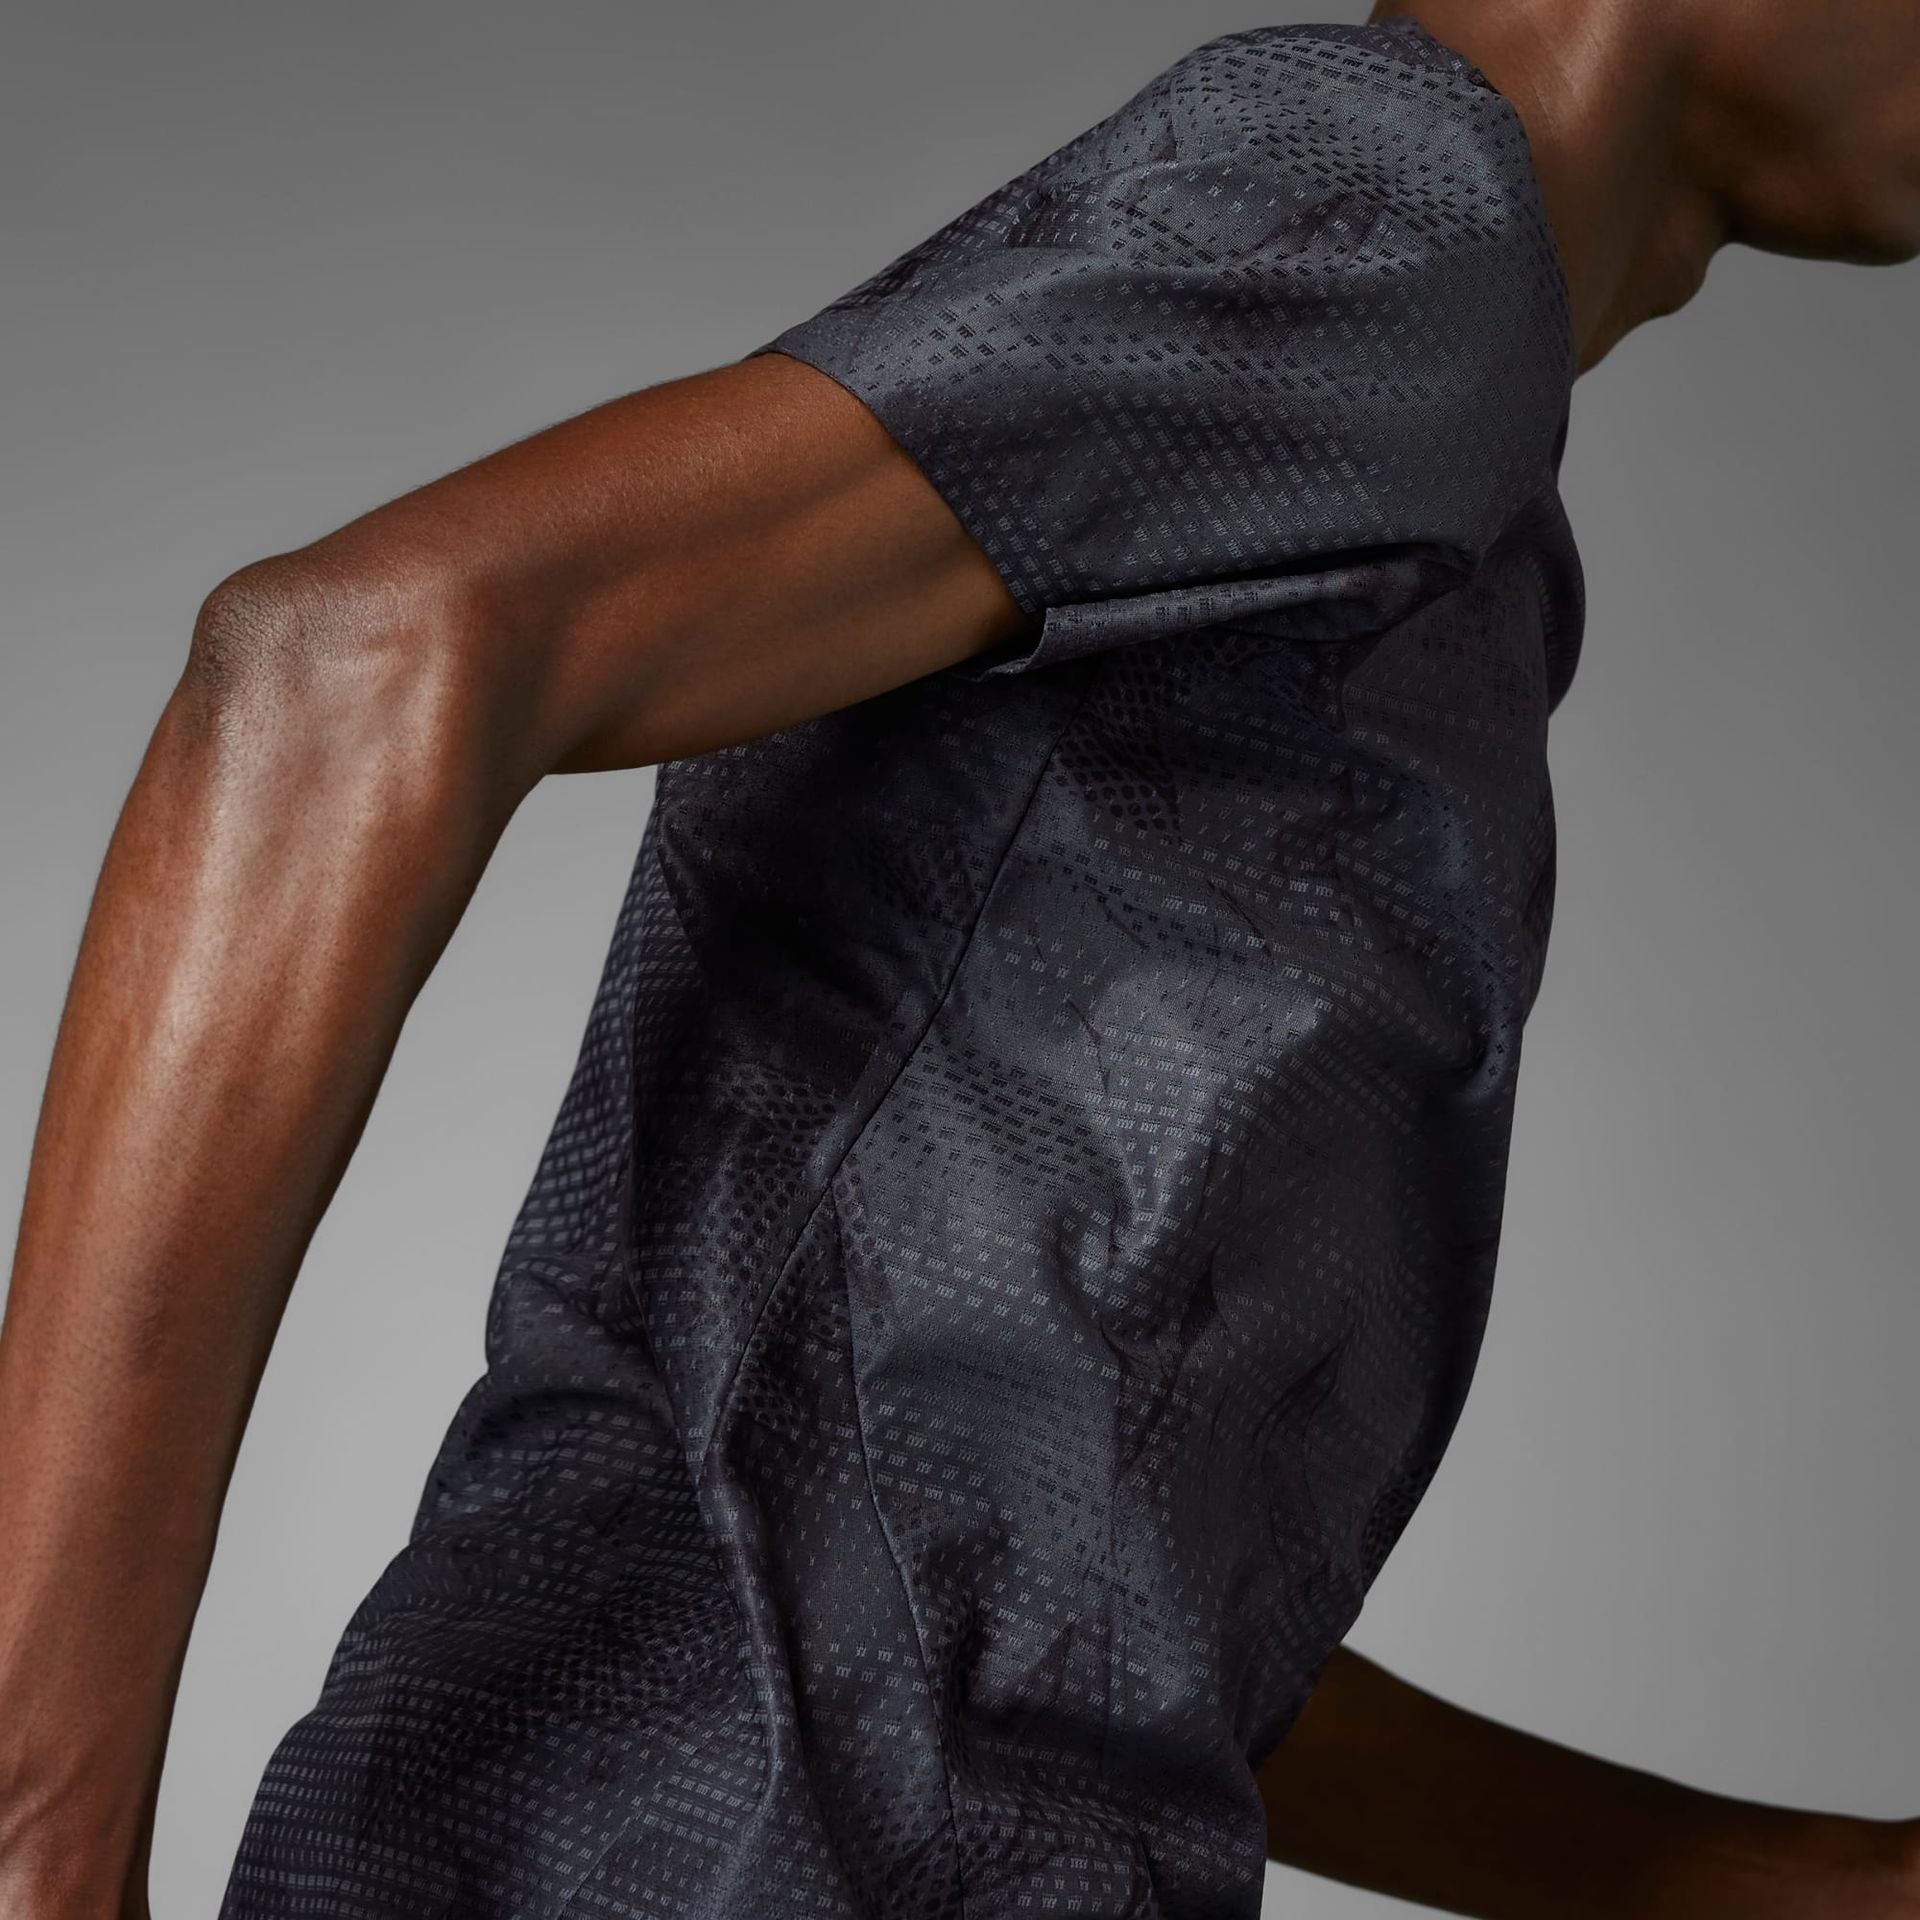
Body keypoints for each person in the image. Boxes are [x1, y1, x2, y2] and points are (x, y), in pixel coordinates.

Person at [1, 0, 1915, 1914]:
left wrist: (1817, 1886)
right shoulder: (1381, 221)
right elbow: (351, 663)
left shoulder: (1450, 466)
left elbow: (1062, 1591)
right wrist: (39, 1849)